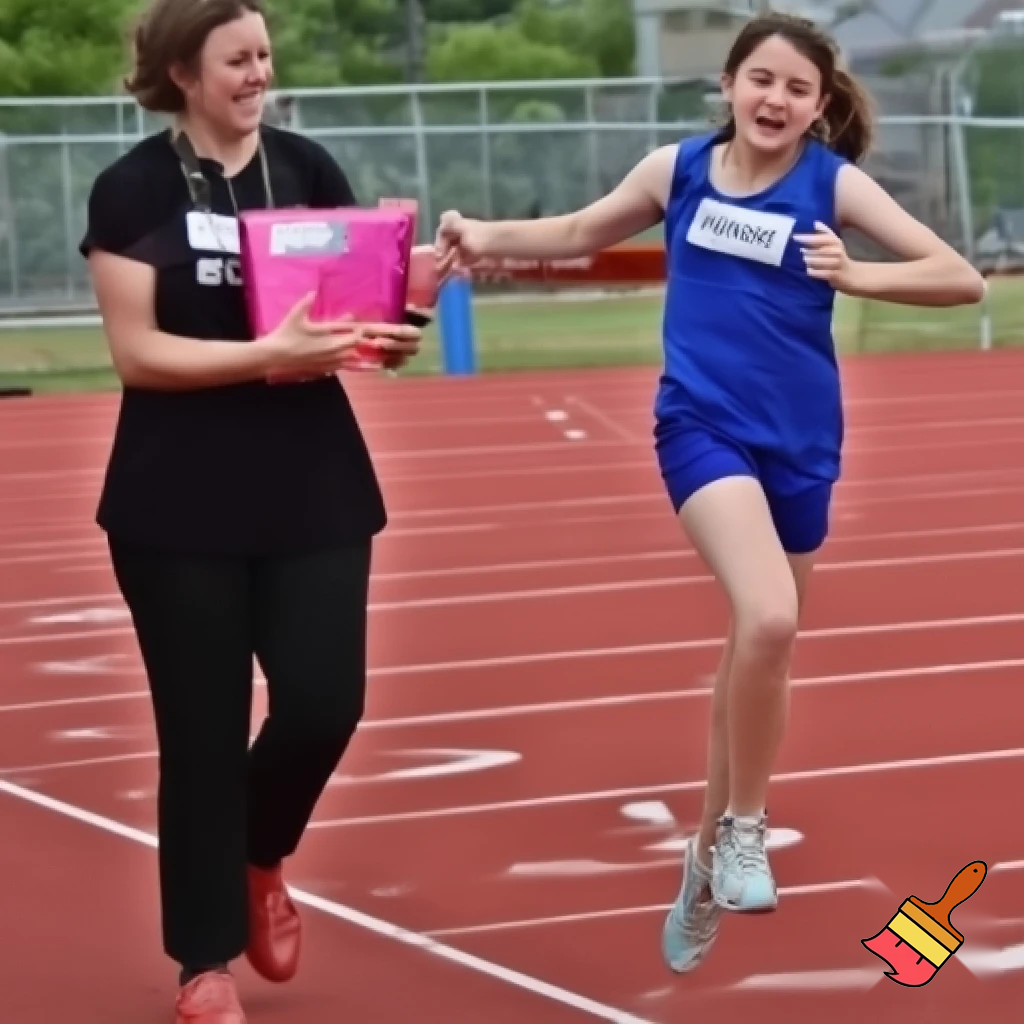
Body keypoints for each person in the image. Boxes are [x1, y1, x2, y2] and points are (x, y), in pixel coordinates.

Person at [434, 11, 984, 975]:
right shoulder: (677, 170)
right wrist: (483, 236)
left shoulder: (833, 184)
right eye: (760, 80)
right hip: (701, 427)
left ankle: (699, 855)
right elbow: (576, 230)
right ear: (728, 85)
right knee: (768, 619)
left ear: (819, 108)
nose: (776, 100)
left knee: (755, 651)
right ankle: (743, 830)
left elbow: (960, 278)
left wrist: (858, 275)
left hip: (803, 443)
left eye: (797, 89)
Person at [78, 1, 425, 1021]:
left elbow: (358, 324)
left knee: (325, 701)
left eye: (265, 55)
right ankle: (203, 961)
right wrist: (265, 357)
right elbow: (139, 354)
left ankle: (258, 853)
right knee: (200, 733)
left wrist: (400, 321)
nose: (258, 73)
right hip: (174, 502)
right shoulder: (131, 187)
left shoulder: (309, 169)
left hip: (312, 485)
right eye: (238, 58)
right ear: (185, 72)